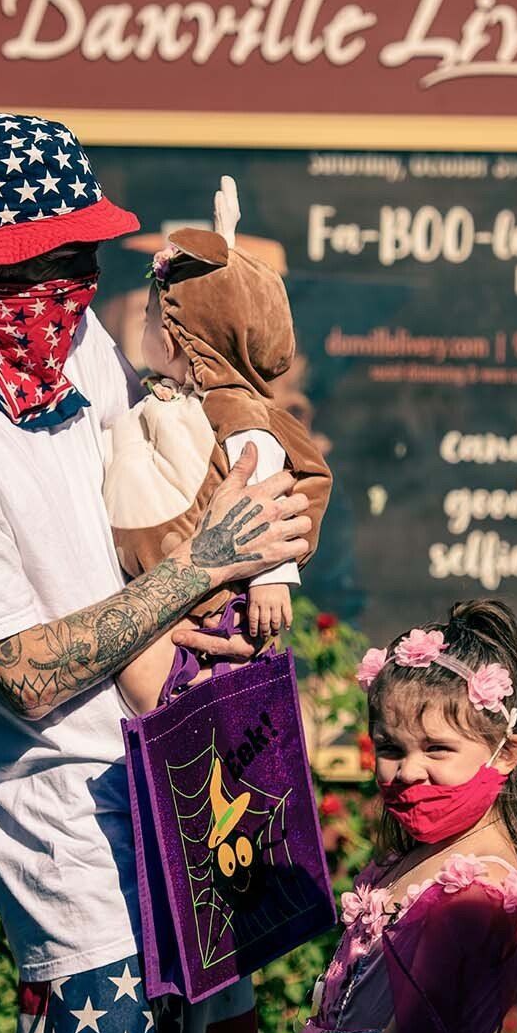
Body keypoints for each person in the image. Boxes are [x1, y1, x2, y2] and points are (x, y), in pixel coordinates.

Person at [0, 112, 311, 1033]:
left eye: (81, 259)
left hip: (186, 795)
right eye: (52, 262)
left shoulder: (56, 346)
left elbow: (116, 534)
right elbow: (20, 670)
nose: (77, 289)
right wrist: (204, 561)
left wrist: (210, 586)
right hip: (79, 847)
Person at [296, 600, 517, 1033]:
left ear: (505, 753)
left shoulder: (477, 893)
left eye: (436, 749)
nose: (408, 771)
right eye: (390, 747)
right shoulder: (416, 854)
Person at [104, 176, 332, 712]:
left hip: (217, 599)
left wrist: (271, 579)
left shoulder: (236, 411)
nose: (141, 326)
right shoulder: (173, 399)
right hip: (169, 587)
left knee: (152, 673)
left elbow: (269, 490)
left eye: (148, 316)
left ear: (177, 335)